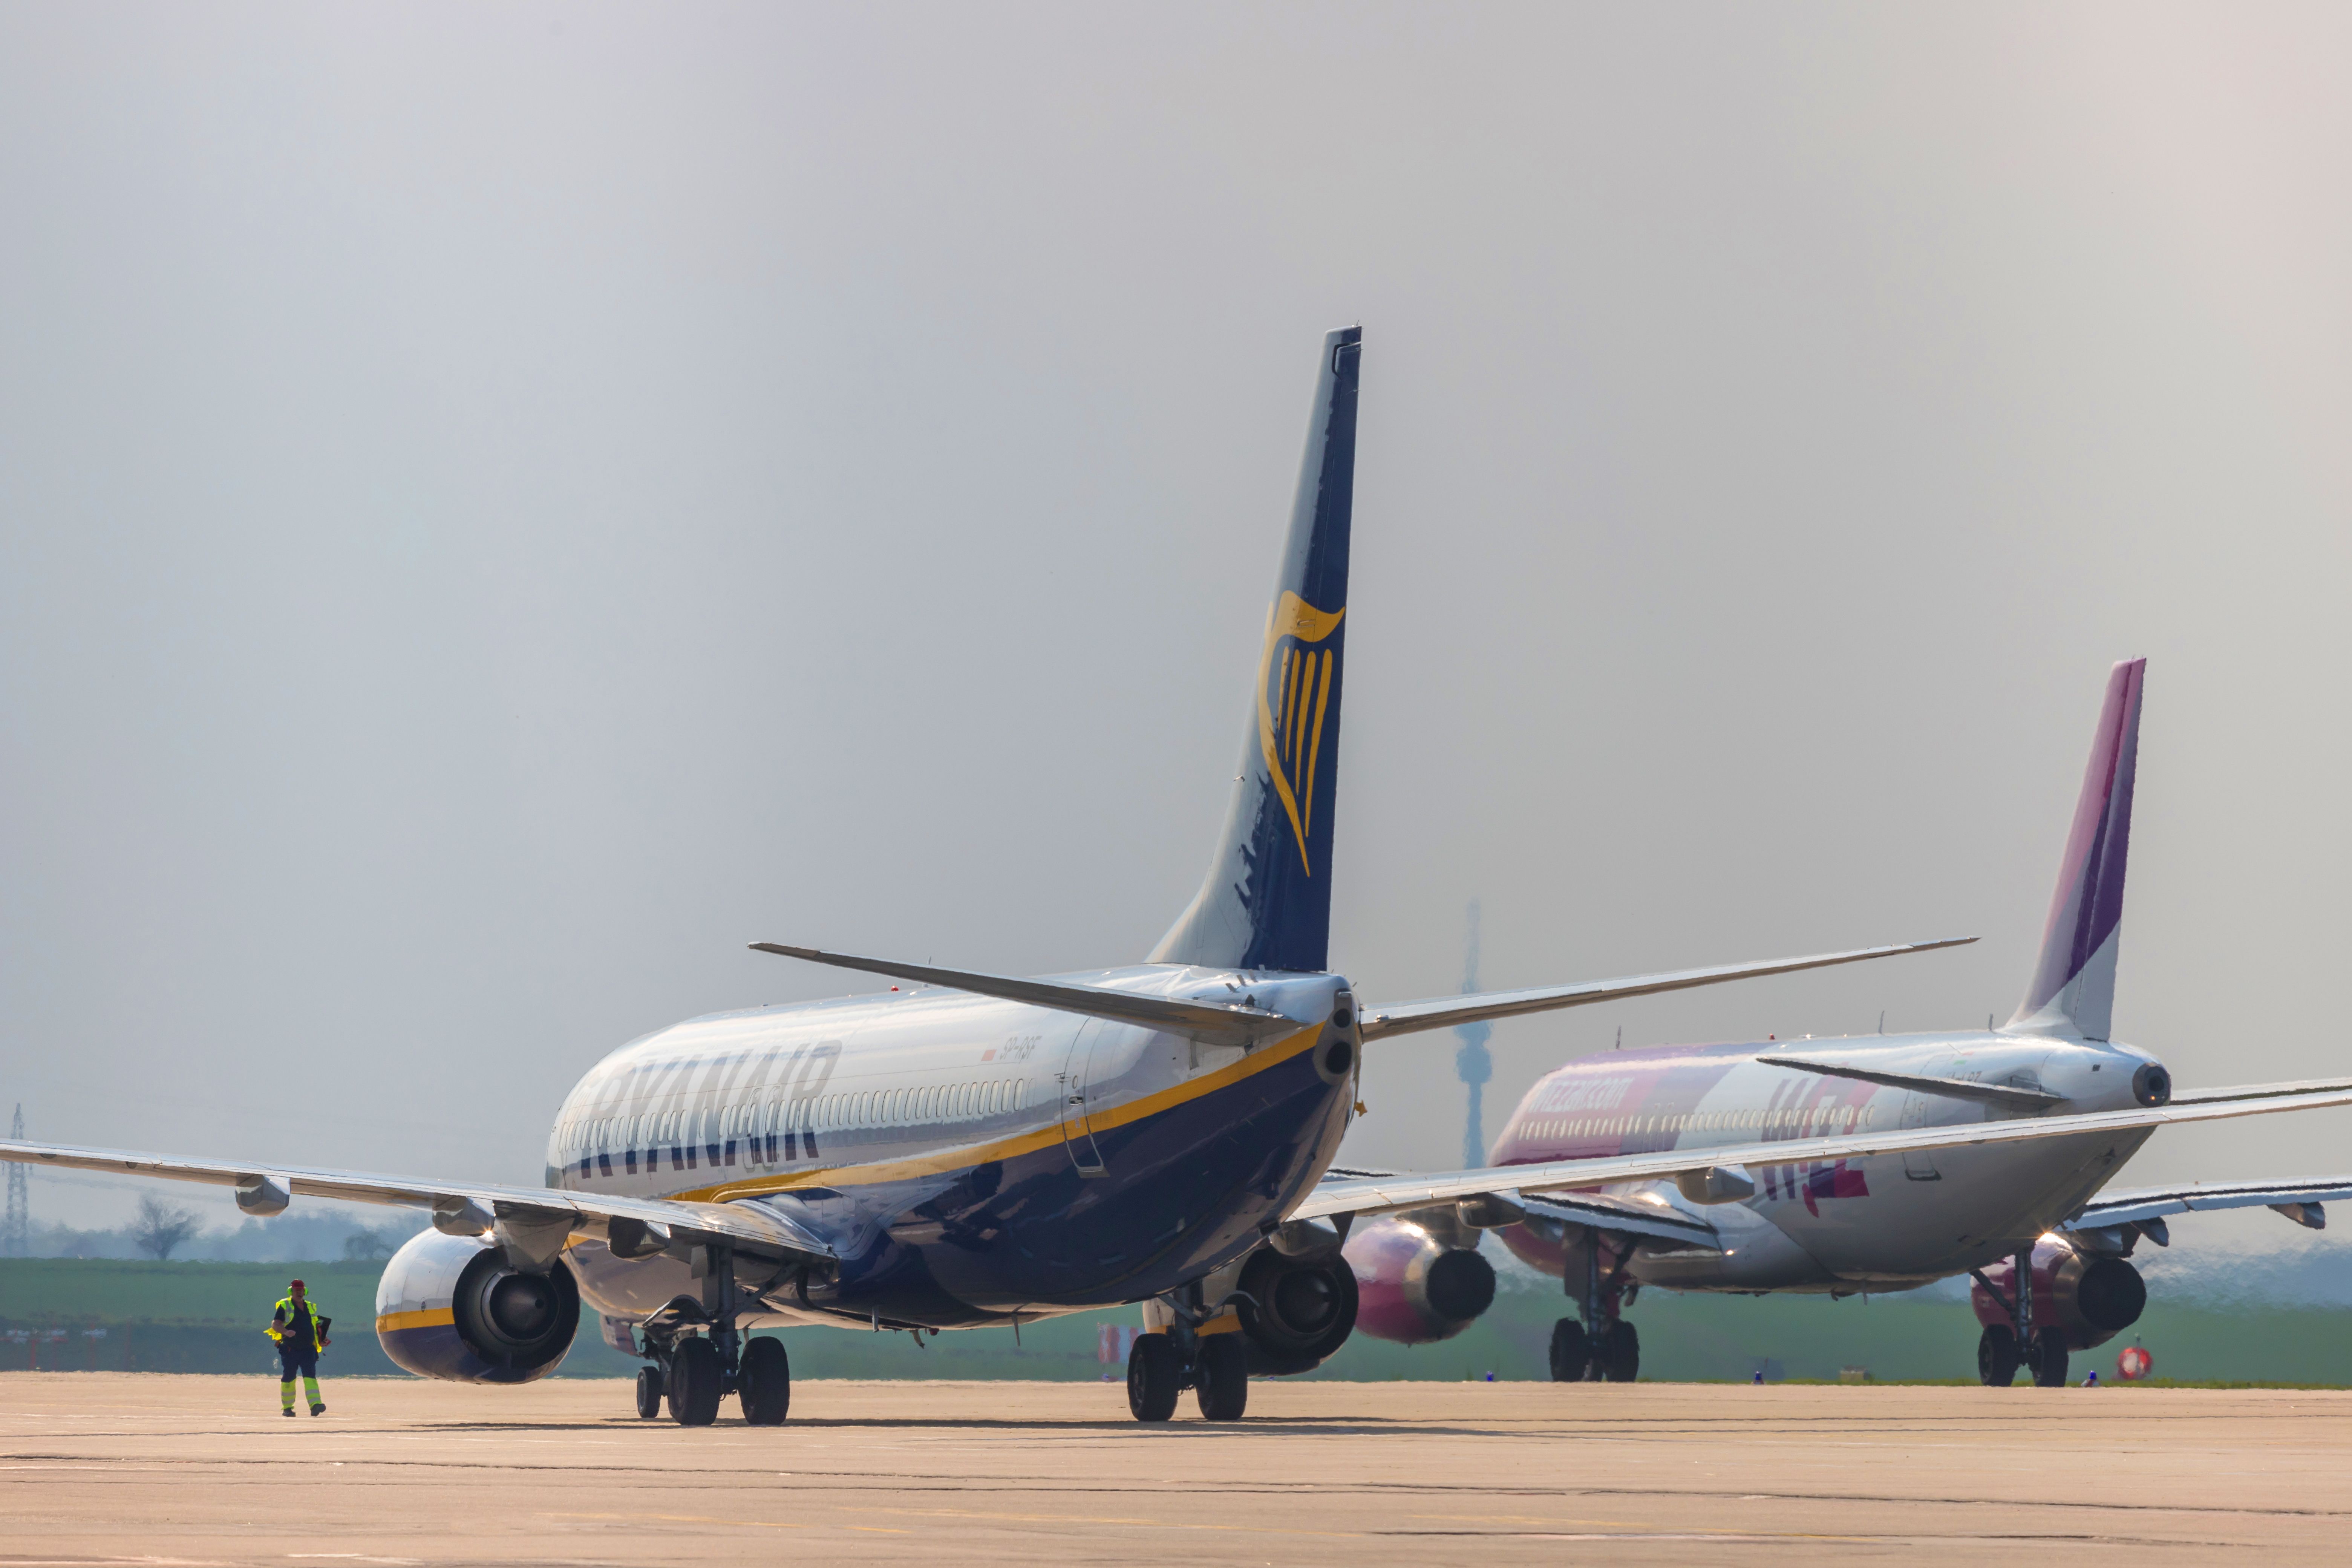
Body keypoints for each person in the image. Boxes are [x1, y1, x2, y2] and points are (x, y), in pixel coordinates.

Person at [266, 1279, 330, 1417]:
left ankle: (315, 1405)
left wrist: (321, 1339)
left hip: (308, 1349)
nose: (300, 1292)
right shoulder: (285, 1305)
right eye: (297, 1290)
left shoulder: (310, 1307)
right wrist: (286, 1332)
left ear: (305, 1291)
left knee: (310, 1376)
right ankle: (288, 1408)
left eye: (301, 1290)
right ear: (291, 1292)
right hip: (290, 1349)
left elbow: (315, 1327)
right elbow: (276, 1325)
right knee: (289, 1377)